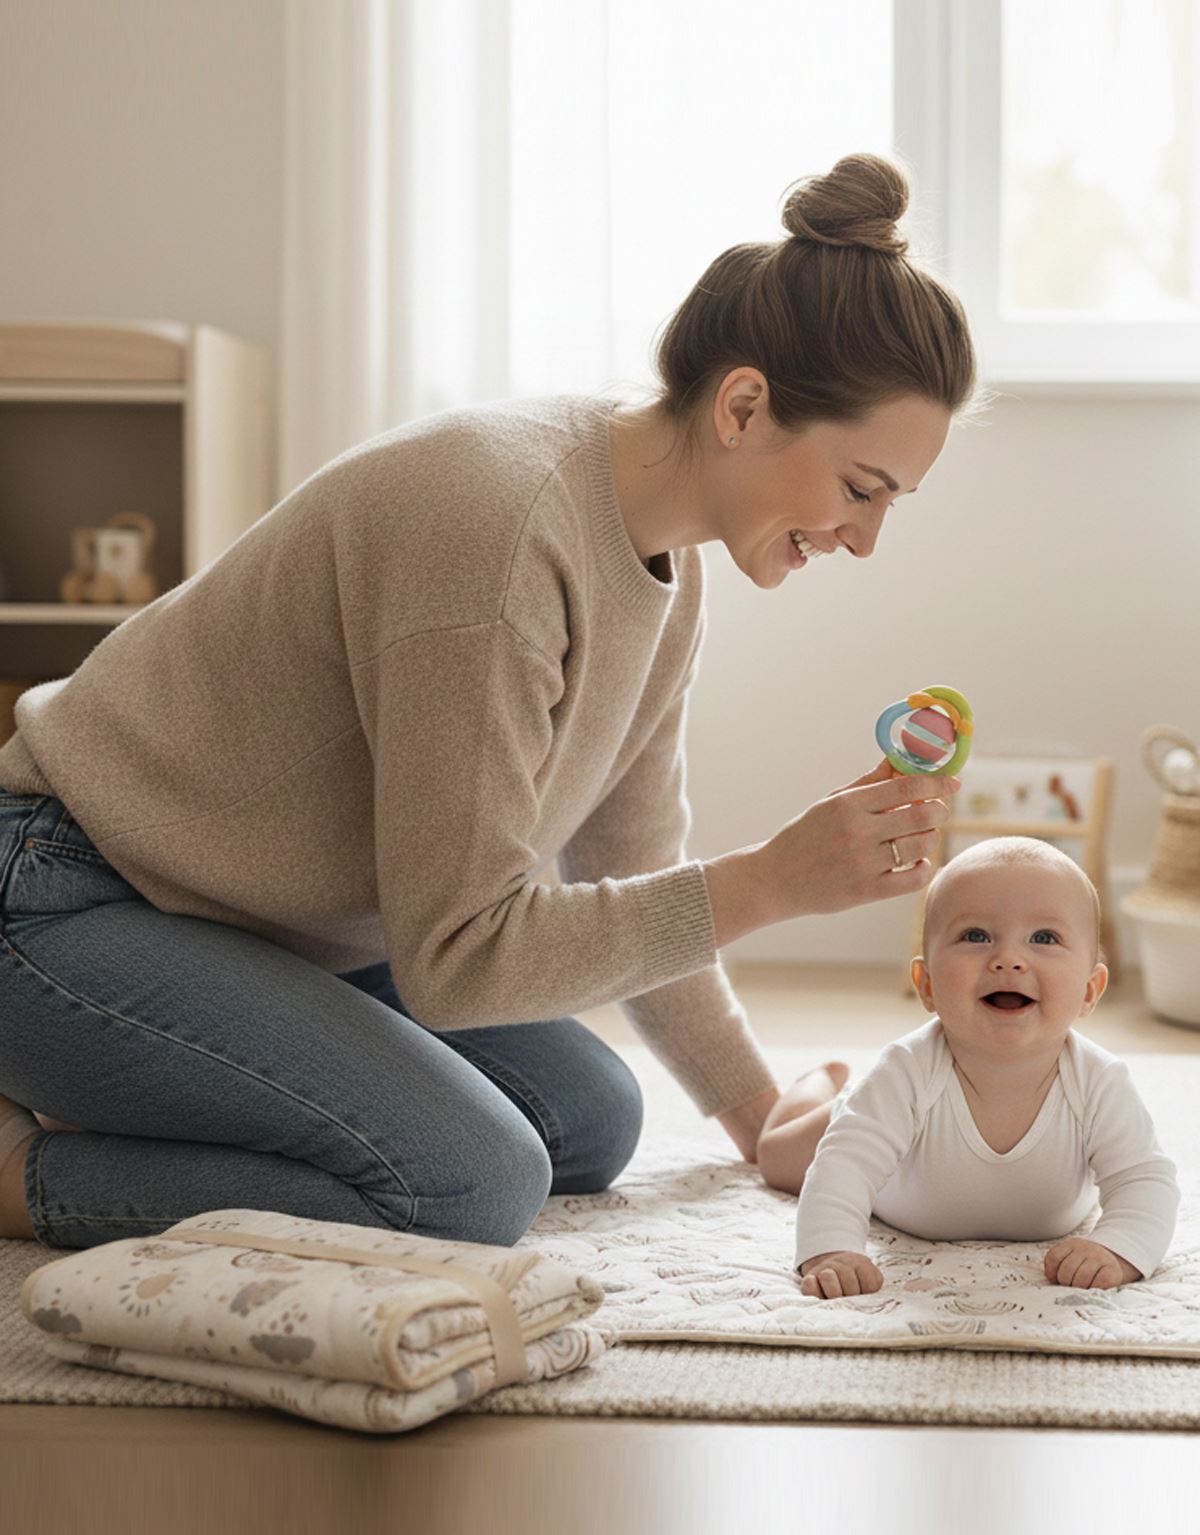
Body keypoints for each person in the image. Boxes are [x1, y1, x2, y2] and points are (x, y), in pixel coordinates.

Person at [0, 152, 974, 1253]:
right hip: (66, 894)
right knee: (471, 1181)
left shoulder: (672, 567)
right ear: (744, 406)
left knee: (590, 1117)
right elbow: (460, 957)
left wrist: (763, 1118)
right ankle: (27, 1172)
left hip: (274, 932)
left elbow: (632, 862)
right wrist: (771, 882)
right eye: (860, 489)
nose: (866, 539)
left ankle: (174, 1077)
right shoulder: (497, 536)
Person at [758, 838, 1181, 1298]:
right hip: (879, 1139)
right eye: (976, 936)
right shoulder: (905, 1071)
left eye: (1044, 938)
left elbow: (1144, 1180)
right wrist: (832, 1250)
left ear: (1089, 990)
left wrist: (1117, 1249)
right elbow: (844, 1167)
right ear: (927, 985)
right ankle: (817, 1086)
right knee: (775, 1158)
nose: (1009, 960)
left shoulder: (1099, 1082)